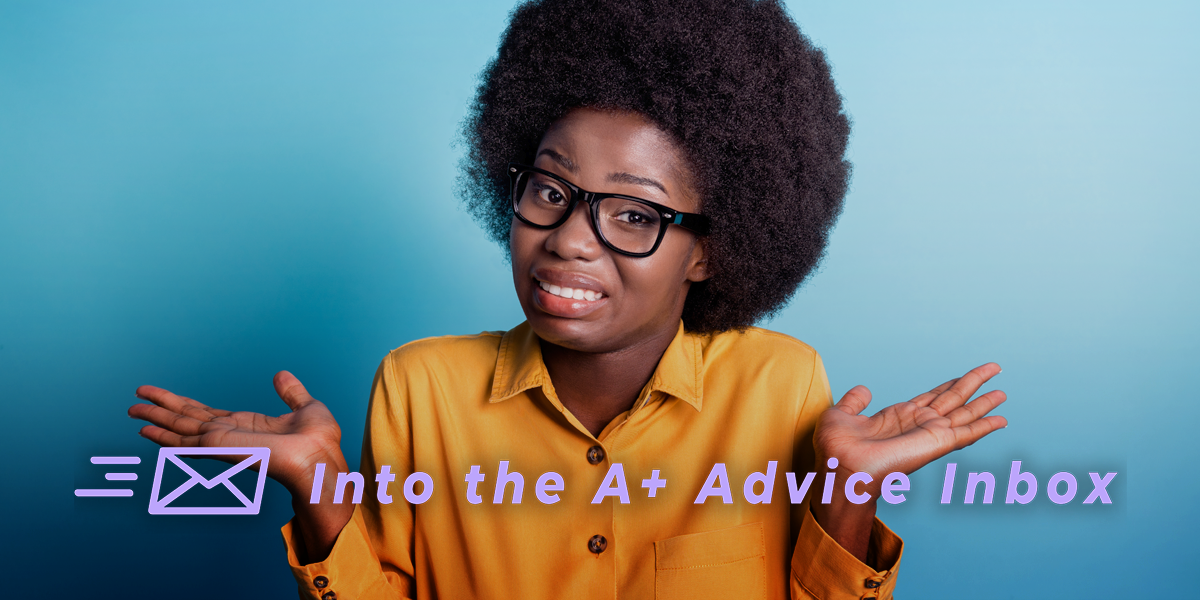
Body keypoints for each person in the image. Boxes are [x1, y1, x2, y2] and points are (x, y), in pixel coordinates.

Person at [128, 0, 1007, 598]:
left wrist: (843, 495)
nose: (570, 237)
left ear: (710, 251)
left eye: (633, 213)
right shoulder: (421, 387)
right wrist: (320, 492)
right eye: (551, 190)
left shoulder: (779, 387)